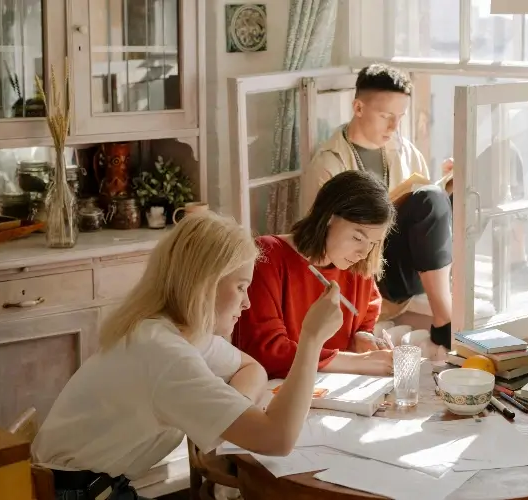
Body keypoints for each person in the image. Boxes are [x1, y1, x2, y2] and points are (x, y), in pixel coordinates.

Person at [32, 212, 344, 500]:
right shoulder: (164, 355)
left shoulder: (175, 332)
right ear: (204, 285)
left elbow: (252, 368)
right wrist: (311, 339)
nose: (247, 303)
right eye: (240, 287)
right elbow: (277, 440)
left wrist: (231, 412)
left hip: (97, 486)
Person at [301, 63, 453, 351]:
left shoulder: (406, 151)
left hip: (412, 266)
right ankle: (445, 322)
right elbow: (319, 242)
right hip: (368, 271)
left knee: (463, 182)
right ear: (358, 108)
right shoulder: (328, 163)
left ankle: (448, 307)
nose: (394, 127)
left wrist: (447, 188)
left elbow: (426, 221)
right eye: (386, 116)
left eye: (400, 117)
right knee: (430, 199)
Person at [235, 171, 397, 379]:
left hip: (333, 390)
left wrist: (362, 337)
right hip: (276, 391)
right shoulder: (268, 256)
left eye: (373, 243)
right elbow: (267, 352)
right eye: (357, 237)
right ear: (329, 217)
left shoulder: (357, 266)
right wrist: (358, 362)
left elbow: (366, 315)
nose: (364, 253)